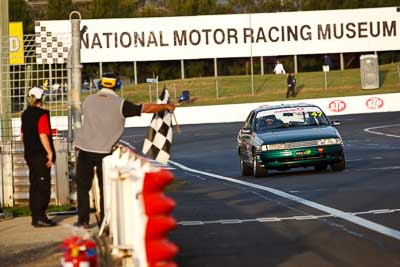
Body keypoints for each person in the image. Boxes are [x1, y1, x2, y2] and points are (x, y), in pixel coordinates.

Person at [73, 72, 175, 228]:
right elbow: (146, 108)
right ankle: (105, 222)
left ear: (99, 84)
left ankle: (82, 221)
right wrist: (166, 106)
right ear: (117, 85)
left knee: (82, 187)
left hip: (84, 149)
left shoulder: (88, 100)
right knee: (105, 188)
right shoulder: (121, 104)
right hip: (105, 151)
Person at [21, 87, 57, 227]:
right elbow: (43, 134)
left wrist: (28, 150)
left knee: (34, 185)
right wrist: (50, 152)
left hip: (29, 155)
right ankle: (40, 216)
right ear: (41, 98)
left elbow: (23, 135)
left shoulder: (24, 114)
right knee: (43, 186)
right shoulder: (42, 114)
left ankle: (35, 216)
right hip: (40, 155)